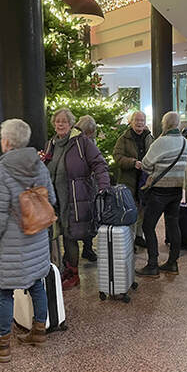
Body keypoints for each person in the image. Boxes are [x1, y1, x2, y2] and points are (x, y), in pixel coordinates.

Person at [0, 119, 56, 362]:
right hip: (37, 237)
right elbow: (52, 200)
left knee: (5, 292)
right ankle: (39, 331)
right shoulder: (39, 165)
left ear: (6, 141)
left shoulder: (1, 172)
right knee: (37, 283)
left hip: (12, 244)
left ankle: (2, 345)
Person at [43, 108, 110, 290]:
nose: (60, 124)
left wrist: (104, 186)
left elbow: (99, 164)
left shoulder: (82, 142)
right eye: (57, 121)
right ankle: (65, 269)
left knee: (70, 235)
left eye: (64, 121)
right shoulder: (51, 144)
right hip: (56, 200)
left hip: (75, 197)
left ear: (71, 124)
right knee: (61, 234)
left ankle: (73, 274)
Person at [136, 111, 187, 277]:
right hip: (177, 189)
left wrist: (153, 171)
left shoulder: (161, 142)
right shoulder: (184, 141)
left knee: (148, 226)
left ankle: (152, 265)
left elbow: (146, 164)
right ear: (177, 124)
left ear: (164, 124)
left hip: (160, 191)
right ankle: (172, 263)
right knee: (173, 225)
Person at [113, 110, 153, 248]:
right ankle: (129, 241)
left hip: (145, 180)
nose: (139, 123)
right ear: (131, 122)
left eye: (142, 120)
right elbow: (117, 157)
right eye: (137, 120)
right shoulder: (124, 139)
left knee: (143, 210)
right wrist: (132, 162)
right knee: (130, 210)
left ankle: (139, 236)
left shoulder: (149, 137)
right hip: (129, 180)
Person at [75, 115, 99, 262]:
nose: (89, 135)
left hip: (89, 184)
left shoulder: (91, 142)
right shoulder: (75, 141)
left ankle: (87, 248)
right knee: (81, 217)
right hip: (79, 184)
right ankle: (82, 250)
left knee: (90, 216)